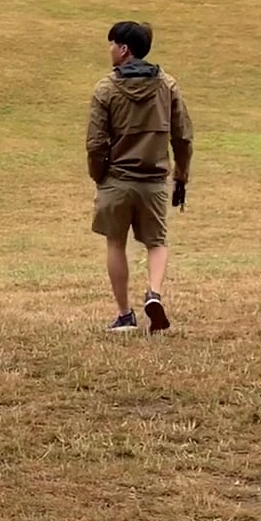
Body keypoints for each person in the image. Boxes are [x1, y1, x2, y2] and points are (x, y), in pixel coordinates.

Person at [87, 20, 193, 333]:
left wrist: (99, 176)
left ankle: (124, 315)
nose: (110, 50)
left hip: (117, 180)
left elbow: (95, 142)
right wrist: (181, 175)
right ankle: (154, 293)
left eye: (112, 44)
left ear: (124, 49)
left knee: (116, 243)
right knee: (157, 242)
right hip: (154, 180)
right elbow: (183, 136)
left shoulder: (105, 88)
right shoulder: (167, 85)